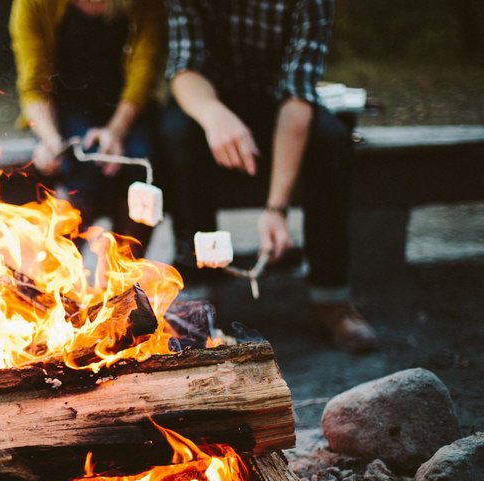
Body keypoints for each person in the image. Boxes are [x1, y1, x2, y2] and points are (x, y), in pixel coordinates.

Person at [162, 0, 379, 353]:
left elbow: (298, 95)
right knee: (175, 135)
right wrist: (214, 115)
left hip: (278, 103)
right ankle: (199, 290)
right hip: (205, 100)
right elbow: (184, 68)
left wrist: (276, 208)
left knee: (332, 140)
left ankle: (330, 298)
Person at [9, 0, 165, 256]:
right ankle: (60, 272)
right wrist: (51, 142)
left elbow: (144, 70)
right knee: (84, 167)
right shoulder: (33, 4)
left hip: (128, 107)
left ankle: (124, 273)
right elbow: (33, 84)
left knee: (140, 162)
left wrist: (115, 131)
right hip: (66, 106)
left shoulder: (143, 5)